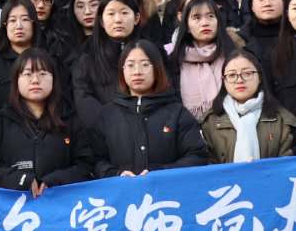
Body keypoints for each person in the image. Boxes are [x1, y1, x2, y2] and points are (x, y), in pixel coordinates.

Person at [83, 41, 209, 176]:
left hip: (165, 189)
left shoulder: (177, 113)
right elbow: (95, 161)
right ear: (122, 70)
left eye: (145, 64)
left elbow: (197, 155)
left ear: (157, 69)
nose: (137, 72)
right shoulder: (107, 115)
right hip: (121, 188)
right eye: (130, 65)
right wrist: (116, 173)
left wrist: (159, 174)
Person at [0, 48, 90, 194]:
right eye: (27, 74)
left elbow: (86, 166)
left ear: (54, 79)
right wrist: (21, 180)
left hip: (60, 203)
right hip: (13, 205)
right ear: (16, 80)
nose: (35, 80)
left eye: (42, 73)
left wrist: (56, 181)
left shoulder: (69, 120)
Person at [199, 50, 296, 164]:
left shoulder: (282, 120)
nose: (239, 80)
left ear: (260, 77)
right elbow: (207, 166)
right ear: (224, 81)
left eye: (247, 73)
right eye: (232, 75)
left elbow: (289, 165)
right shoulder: (209, 122)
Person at [166, 0, 237, 121]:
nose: (205, 23)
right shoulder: (172, 63)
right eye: (197, 17)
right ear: (187, 26)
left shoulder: (234, 58)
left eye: (210, 16)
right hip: (187, 127)